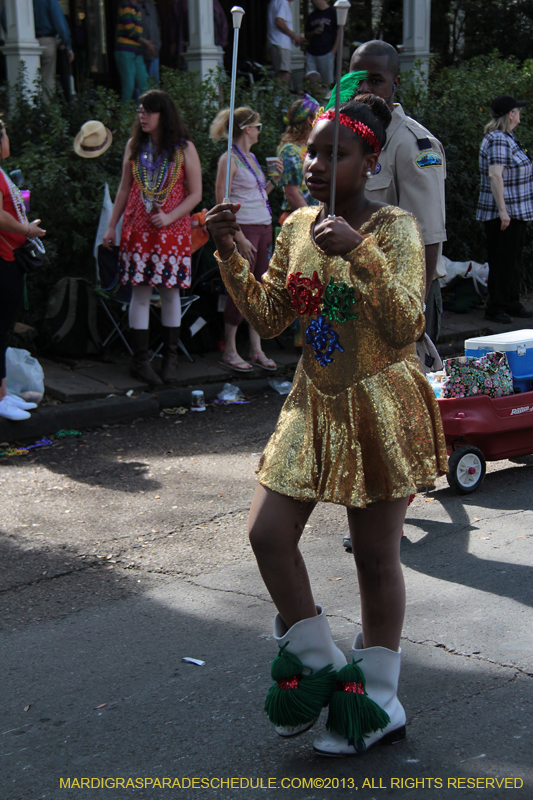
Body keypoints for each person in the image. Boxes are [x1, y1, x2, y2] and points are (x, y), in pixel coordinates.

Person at [206, 96, 447, 756]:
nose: (314, 163)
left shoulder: (394, 227)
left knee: (374, 559)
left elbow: (406, 325)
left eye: (333, 153)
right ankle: (314, 664)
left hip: (380, 407)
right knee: (266, 534)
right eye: (310, 151)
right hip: (312, 404)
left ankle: (376, 698)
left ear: (368, 162)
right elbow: (271, 319)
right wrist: (229, 251)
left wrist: (361, 253)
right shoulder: (294, 226)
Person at [349, 40, 446, 346]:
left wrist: (413, 310)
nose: (364, 88)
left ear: (395, 84)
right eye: (357, 79)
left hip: (400, 297)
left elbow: (428, 236)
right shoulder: (346, 139)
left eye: (376, 80)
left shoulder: (414, 146)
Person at [102, 90, 202, 385]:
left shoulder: (184, 148)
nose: (142, 116)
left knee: (170, 292)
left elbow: (195, 193)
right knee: (140, 292)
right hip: (138, 229)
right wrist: (111, 226)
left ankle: (170, 359)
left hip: (170, 230)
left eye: (149, 111)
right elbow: (123, 188)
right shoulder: (135, 145)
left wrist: (170, 216)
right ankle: (141, 361)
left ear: (164, 115)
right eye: (140, 111)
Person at [210, 106, 281, 373]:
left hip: (262, 227)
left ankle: (256, 348)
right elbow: (222, 199)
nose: (260, 131)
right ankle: (230, 349)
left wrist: (275, 180)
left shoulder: (249, 157)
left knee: (260, 287)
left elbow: (258, 193)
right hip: (246, 228)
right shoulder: (229, 159)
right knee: (241, 286)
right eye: (258, 126)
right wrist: (237, 234)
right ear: (247, 129)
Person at [0, 120, 46, 421]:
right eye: (3, 133)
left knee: (3, 330)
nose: (7, 138)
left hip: (9, 256)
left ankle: (3, 395)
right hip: (2, 256)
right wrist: (26, 229)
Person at [476, 95, 533, 323]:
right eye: (517, 110)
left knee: (512, 259)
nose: (520, 114)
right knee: (502, 259)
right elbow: (495, 174)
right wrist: (503, 211)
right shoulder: (499, 140)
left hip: (516, 211)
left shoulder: (508, 137)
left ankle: (511, 301)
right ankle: (496, 307)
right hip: (504, 213)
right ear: (511, 114)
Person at [277, 94, 320, 225]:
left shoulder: (313, 147)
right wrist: (313, 220)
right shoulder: (290, 150)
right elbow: (291, 193)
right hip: (300, 221)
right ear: (309, 119)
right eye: (319, 113)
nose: (322, 117)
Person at [32, 0, 74, 101]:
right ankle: (45, 113)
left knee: (27, 80)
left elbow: (4, 16)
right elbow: (60, 23)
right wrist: (67, 45)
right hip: (47, 41)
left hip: (26, 40)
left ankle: (29, 111)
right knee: (47, 83)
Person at [115, 0, 155, 104]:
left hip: (137, 51)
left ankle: (145, 113)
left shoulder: (138, 10)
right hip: (125, 51)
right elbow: (131, 31)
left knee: (145, 85)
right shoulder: (125, 7)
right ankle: (124, 117)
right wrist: (146, 43)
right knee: (129, 85)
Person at [267, 0, 305, 85]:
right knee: (284, 74)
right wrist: (294, 36)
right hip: (281, 45)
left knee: (281, 74)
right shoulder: (282, 2)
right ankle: (282, 97)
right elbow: (279, 22)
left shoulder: (275, 2)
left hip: (277, 43)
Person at [304, 0, 338, 87]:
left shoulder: (333, 12)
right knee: (311, 81)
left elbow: (340, 33)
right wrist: (313, 32)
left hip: (326, 52)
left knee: (326, 83)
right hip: (312, 53)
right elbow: (306, 34)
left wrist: (333, 51)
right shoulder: (313, 15)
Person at [139, 0, 161, 84]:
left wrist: (158, 43)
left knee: (153, 82)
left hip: (154, 51)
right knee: (141, 84)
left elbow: (157, 26)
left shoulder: (152, 6)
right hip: (139, 52)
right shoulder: (133, 7)